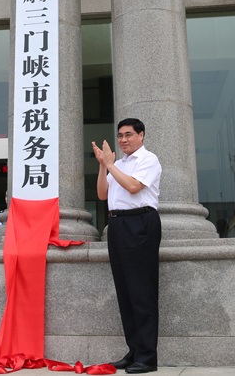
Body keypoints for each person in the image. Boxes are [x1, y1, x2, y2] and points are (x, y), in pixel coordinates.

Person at [93, 118, 162, 375]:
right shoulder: (118, 164)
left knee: (142, 291)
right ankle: (134, 351)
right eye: (120, 135)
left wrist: (110, 164)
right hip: (118, 225)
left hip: (140, 223)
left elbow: (133, 187)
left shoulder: (149, 159)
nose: (123, 140)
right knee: (125, 291)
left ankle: (147, 357)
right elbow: (102, 194)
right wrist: (104, 166)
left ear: (141, 135)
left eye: (129, 135)